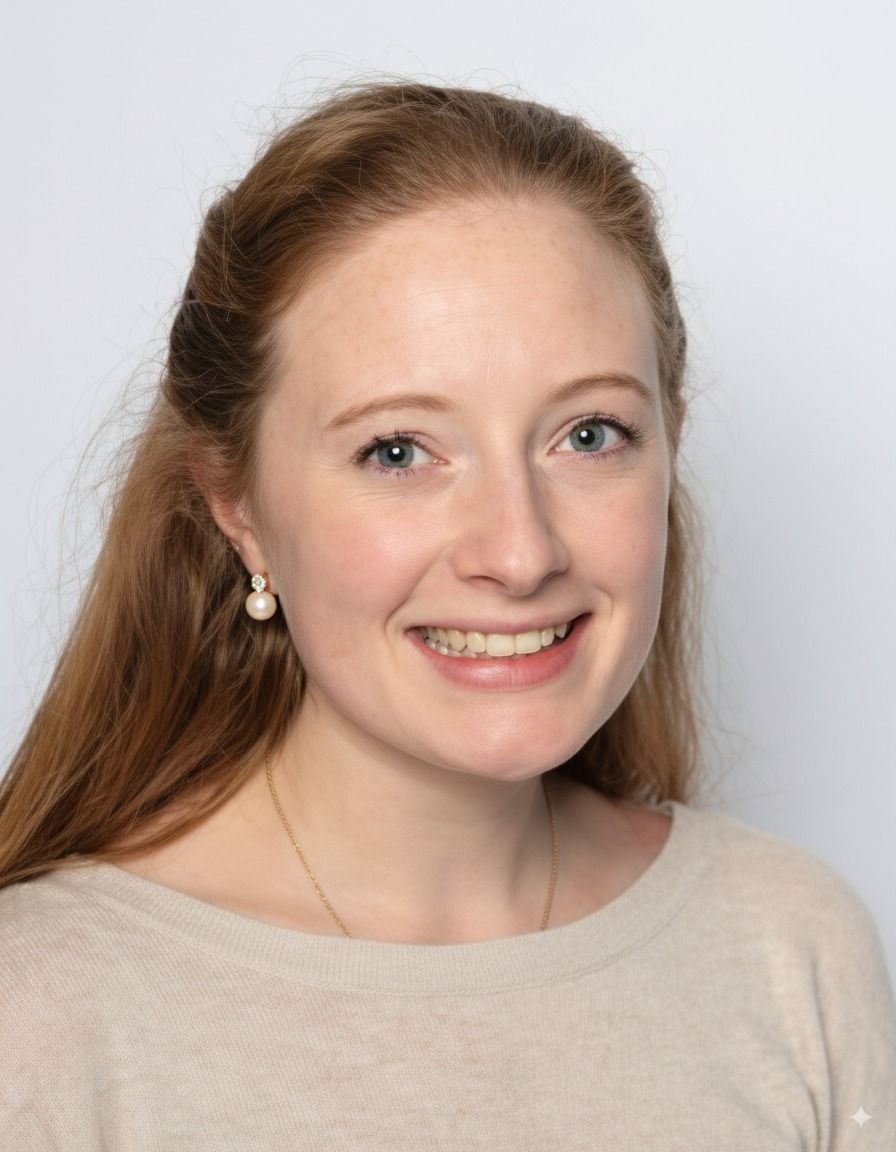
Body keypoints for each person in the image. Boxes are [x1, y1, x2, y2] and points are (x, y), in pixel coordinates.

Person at [0, 79, 893, 1150]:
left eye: (590, 435)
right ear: (237, 508)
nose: (519, 553)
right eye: (397, 451)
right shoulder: (40, 1016)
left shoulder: (791, 949)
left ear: (669, 444)